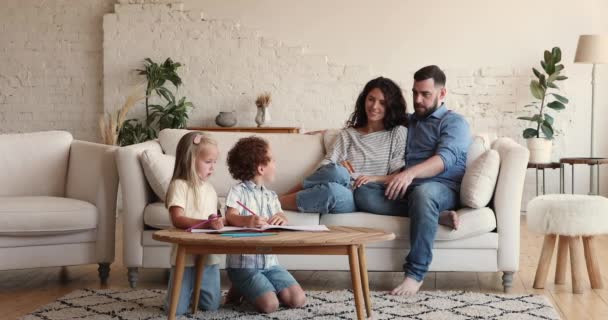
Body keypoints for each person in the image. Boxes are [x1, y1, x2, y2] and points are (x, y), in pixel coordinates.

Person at [356, 65, 471, 295]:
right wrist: (323, 133)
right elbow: (373, 125)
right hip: (408, 191)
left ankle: (415, 274)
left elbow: (445, 159)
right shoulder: (409, 121)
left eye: (425, 94)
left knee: (424, 194)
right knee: (362, 191)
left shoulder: (454, 123)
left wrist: (408, 174)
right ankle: (434, 216)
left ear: (442, 94)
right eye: (415, 92)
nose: (418, 100)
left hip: (442, 188)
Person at [279, 77, 408, 214]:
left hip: (370, 195)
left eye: (382, 102)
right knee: (336, 174)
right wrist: (339, 166)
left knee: (334, 188)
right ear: (364, 99)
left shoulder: (397, 133)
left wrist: (373, 178)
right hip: (346, 192)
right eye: (371, 99)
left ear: (390, 105)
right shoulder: (348, 134)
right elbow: (324, 167)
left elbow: (397, 176)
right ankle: (274, 201)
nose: (374, 106)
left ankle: (274, 200)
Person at [224, 136, 307, 313]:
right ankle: (241, 284)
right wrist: (246, 221)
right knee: (271, 305)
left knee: (298, 300)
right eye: (273, 161)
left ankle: (245, 288)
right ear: (261, 168)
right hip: (243, 264)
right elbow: (230, 215)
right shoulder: (237, 191)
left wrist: (281, 218)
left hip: (270, 264)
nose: (276, 164)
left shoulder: (271, 196)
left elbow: (280, 214)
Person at [164, 132, 225, 315]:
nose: (213, 167)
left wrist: (219, 221)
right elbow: (178, 219)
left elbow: (216, 216)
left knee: (211, 306)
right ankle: (184, 293)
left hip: (208, 255)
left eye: (214, 162)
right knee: (176, 309)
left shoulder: (210, 189)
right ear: (190, 160)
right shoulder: (179, 185)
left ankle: (192, 294)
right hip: (186, 257)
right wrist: (206, 224)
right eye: (208, 162)